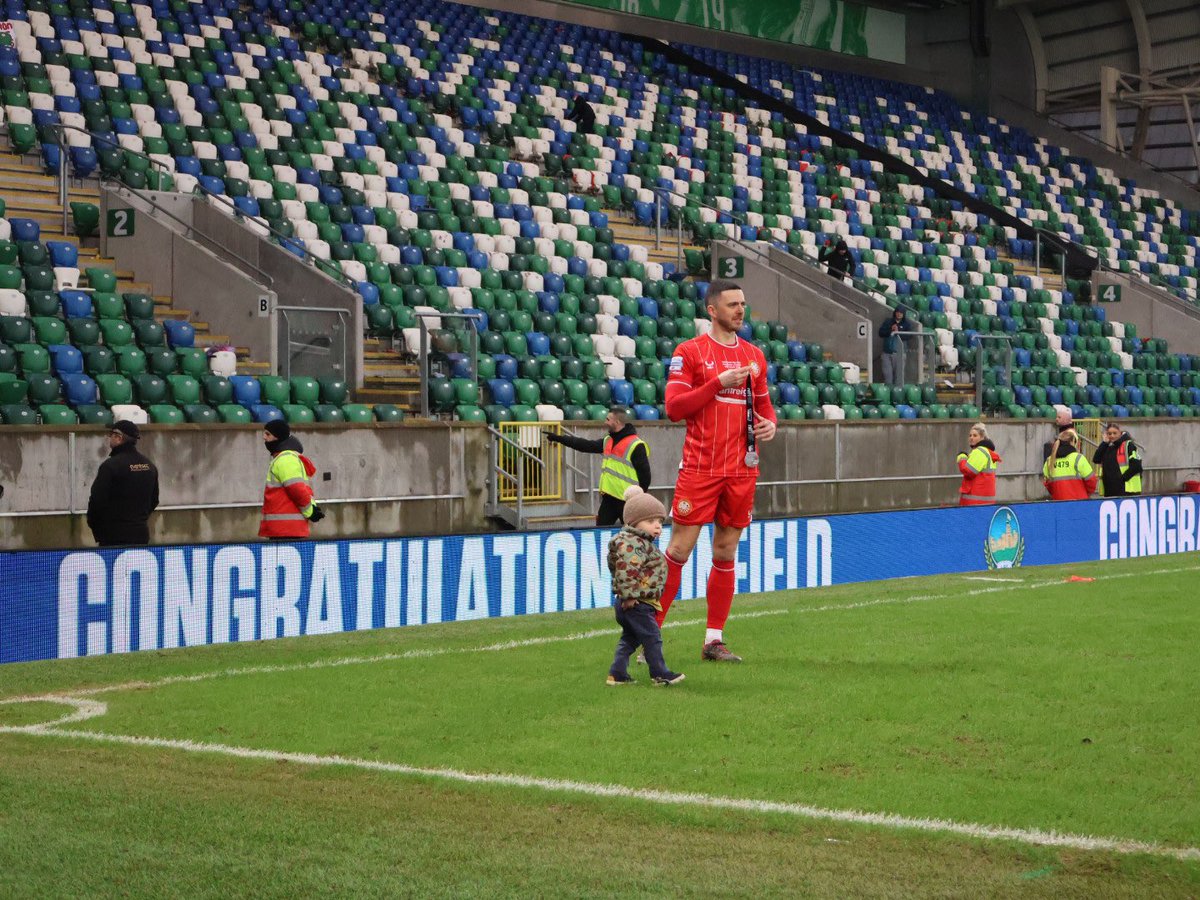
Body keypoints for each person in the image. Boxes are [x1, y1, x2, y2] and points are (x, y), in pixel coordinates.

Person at [656, 279, 778, 662]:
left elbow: (765, 407)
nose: (740, 310)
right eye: (731, 305)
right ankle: (648, 635)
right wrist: (716, 383)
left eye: (742, 304)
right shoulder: (690, 352)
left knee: (725, 553)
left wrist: (770, 425)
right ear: (712, 310)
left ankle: (713, 640)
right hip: (701, 468)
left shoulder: (755, 356)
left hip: (742, 470)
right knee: (679, 549)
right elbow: (674, 408)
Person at [606, 486, 685, 687]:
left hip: (633, 601)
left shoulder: (636, 542)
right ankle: (660, 673)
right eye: (651, 521)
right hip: (636, 603)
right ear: (634, 522)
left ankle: (617, 673)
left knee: (630, 639)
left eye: (659, 522)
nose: (657, 526)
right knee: (652, 638)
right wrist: (630, 596)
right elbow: (627, 571)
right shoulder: (633, 544)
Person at [546, 406, 651, 527]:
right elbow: (585, 445)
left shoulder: (636, 445)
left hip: (628, 500)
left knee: (633, 533)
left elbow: (645, 475)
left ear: (616, 422)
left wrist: (640, 497)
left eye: (608, 419)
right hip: (609, 499)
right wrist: (560, 438)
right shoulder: (608, 440)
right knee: (600, 531)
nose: (605, 422)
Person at [86, 420, 159, 546]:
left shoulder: (110, 466)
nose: (109, 438)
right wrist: (138, 521)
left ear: (119, 438)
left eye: (112, 434)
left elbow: (97, 501)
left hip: (113, 536)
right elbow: (154, 500)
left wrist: (97, 527)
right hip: (140, 534)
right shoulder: (149, 466)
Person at [259, 419, 324, 539]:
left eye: (268, 434)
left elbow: (297, 489)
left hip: (285, 530)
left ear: (278, 437)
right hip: (288, 529)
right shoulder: (285, 458)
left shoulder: (285, 459)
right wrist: (312, 510)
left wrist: (310, 512)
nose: (264, 437)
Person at [1042, 429, 1097, 500]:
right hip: (1079, 502)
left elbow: (1047, 484)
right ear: (1072, 442)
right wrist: (1086, 493)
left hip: (1058, 503)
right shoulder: (1078, 458)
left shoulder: (1049, 460)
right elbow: (1091, 481)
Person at [1092, 422, 1143, 497]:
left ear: (1120, 433)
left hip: (1126, 490)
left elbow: (1136, 466)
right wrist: (1104, 443)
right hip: (1110, 490)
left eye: (1114, 433)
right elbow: (1096, 459)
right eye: (1109, 434)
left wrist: (1122, 479)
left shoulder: (1128, 445)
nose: (1112, 436)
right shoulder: (1107, 447)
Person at [956, 422, 1001, 506]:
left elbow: (968, 471)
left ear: (982, 437)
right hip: (984, 502)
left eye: (975, 435)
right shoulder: (988, 452)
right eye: (970, 435)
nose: (971, 438)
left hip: (974, 503)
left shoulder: (980, 451)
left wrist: (962, 458)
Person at [878, 306, 912, 388]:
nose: (899, 314)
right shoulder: (888, 322)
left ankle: (897, 394)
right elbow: (881, 333)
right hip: (887, 353)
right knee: (888, 377)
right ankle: (888, 393)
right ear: (895, 312)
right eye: (898, 312)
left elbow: (909, 336)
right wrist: (890, 329)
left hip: (899, 353)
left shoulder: (906, 324)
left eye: (901, 312)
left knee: (899, 377)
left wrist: (898, 332)